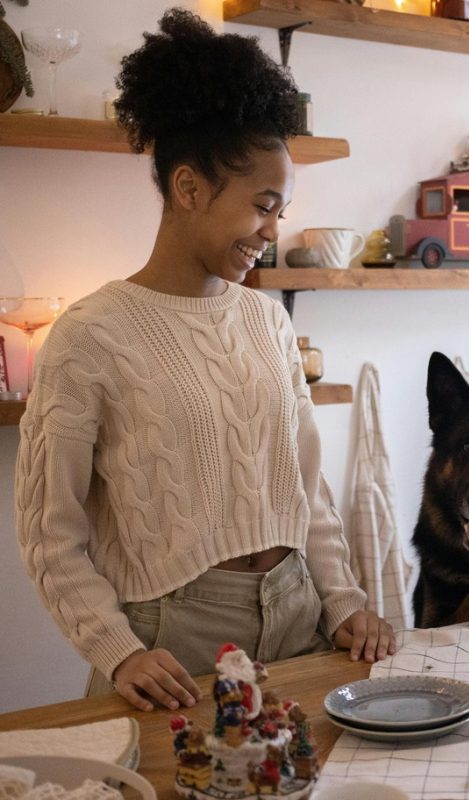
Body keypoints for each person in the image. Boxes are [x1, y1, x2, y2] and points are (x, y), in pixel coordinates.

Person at [14, 8, 395, 713]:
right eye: (263, 206)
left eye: (281, 211)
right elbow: (48, 528)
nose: (273, 231)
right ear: (190, 188)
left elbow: (304, 488)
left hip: (298, 615)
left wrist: (342, 601)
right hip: (175, 637)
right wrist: (117, 648)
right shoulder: (90, 334)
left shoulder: (267, 321)